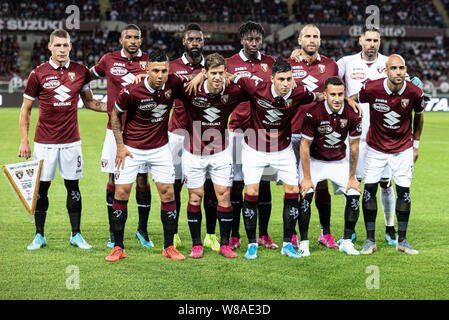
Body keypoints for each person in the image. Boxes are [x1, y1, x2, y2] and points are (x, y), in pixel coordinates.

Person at [18, 29, 107, 250]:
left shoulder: (80, 71)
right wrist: (24, 141)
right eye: (57, 45)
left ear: (70, 46)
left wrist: (114, 109)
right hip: (44, 143)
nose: (61, 49)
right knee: (42, 189)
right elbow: (25, 109)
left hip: (71, 142)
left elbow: (90, 102)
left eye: (65, 45)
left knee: (73, 187)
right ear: (50, 47)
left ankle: (76, 234)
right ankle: (39, 235)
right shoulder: (37, 74)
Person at [230, 58, 322, 259]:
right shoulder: (255, 86)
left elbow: (320, 96)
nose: (285, 84)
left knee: (292, 191)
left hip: (283, 149)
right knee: (251, 191)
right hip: (254, 149)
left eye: (289, 79)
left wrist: (346, 99)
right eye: (281, 79)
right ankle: (252, 244)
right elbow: (230, 77)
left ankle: (287, 244)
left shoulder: (300, 93)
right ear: (272, 79)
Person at [106, 49, 186, 261]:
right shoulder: (131, 91)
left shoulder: (174, 84)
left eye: (164, 71)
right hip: (132, 150)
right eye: (156, 70)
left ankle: (168, 247)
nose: (160, 75)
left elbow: (191, 86)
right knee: (121, 193)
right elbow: (115, 115)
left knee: (168, 194)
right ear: (147, 69)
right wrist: (120, 146)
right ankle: (118, 247)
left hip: (160, 150)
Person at [349, 54, 424, 255]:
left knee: (404, 192)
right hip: (375, 148)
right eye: (393, 68)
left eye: (401, 68)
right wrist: (351, 103)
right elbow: (353, 98)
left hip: (402, 150)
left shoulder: (414, 92)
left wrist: (415, 145)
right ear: (385, 70)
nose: (398, 72)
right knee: (369, 191)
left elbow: (420, 116)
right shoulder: (372, 88)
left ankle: (402, 240)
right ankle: (370, 240)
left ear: (406, 70)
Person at [90, 24, 154, 249]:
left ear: (141, 39)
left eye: (137, 37)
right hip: (113, 129)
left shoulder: (150, 62)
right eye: (129, 37)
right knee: (113, 180)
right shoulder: (108, 60)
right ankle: (112, 232)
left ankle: (142, 231)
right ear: (121, 40)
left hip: (142, 130)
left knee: (142, 180)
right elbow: (83, 77)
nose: (133, 40)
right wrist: (97, 104)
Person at [178, 53, 247, 259]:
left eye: (221, 73)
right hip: (193, 153)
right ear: (205, 72)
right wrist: (194, 78)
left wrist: (233, 77)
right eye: (213, 73)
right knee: (195, 197)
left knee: (224, 196)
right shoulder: (191, 90)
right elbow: (169, 82)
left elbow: (256, 87)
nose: (217, 77)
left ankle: (224, 244)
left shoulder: (233, 91)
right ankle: (197, 244)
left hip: (221, 152)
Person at [336, 26, 397, 245]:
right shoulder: (346, 63)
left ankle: (390, 228)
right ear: (360, 40)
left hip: (383, 137)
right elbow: (330, 86)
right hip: (356, 136)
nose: (372, 44)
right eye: (368, 39)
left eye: (376, 40)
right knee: (353, 182)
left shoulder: (388, 63)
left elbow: (402, 86)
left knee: (385, 184)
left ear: (380, 42)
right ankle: (349, 229)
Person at [167, 24, 221, 251]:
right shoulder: (172, 67)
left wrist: (202, 73)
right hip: (177, 134)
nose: (195, 43)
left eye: (198, 39)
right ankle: (175, 233)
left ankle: (209, 235)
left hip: (205, 135)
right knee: (175, 186)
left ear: (203, 42)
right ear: (184, 42)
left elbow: (229, 74)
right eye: (191, 39)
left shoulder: (211, 67)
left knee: (208, 187)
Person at [287, 24, 340, 254]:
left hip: (320, 133)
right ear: (299, 40)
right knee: (294, 185)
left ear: (320, 40)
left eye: (315, 36)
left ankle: (325, 232)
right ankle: (293, 234)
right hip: (293, 132)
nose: (311, 40)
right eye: (307, 36)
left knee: (321, 183)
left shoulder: (330, 65)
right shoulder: (289, 64)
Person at [226, 21, 277, 250]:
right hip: (236, 130)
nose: (254, 43)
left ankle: (264, 234)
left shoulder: (271, 63)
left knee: (263, 184)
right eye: (250, 39)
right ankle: (235, 234)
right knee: (237, 184)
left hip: (264, 131)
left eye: (257, 39)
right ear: (242, 40)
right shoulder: (230, 64)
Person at [299, 77, 362, 256]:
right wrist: (307, 177)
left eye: (340, 94)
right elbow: (304, 145)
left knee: (354, 192)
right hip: (315, 161)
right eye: (332, 94)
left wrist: (352, 177)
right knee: (306, 193)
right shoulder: (313, 113)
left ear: (345, 95)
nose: (336, 99)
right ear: (325, 94)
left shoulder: (353, 113)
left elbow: (354, 147)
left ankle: (347, 242)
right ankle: (304, 243)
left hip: (338, 161)